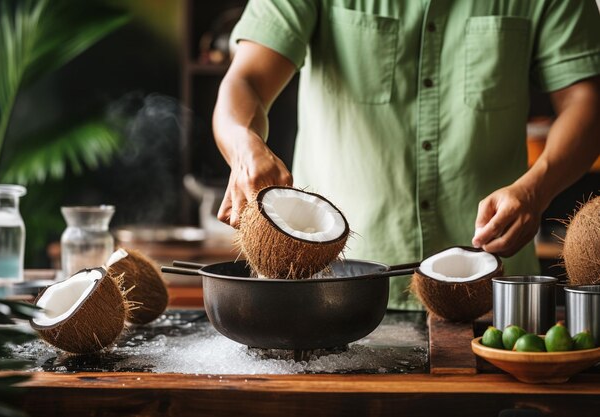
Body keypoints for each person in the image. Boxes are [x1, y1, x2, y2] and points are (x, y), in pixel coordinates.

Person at [212, 0, 600, 310]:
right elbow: (246, 79)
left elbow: (586, 103)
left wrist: (537, 188)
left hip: (489, 295)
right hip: (333, 293)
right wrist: (243, 143)